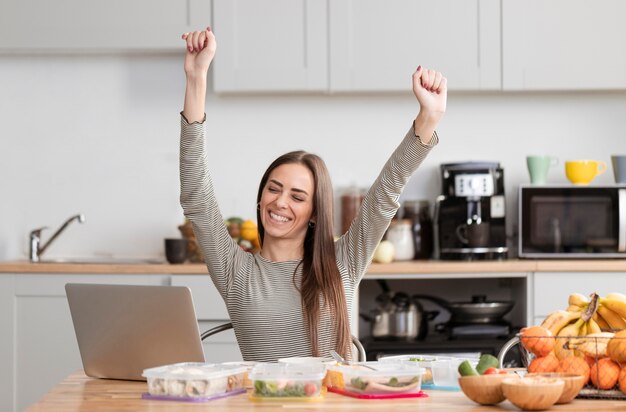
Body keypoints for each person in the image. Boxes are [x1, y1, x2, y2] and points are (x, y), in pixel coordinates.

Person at [179, 27, 447, 362]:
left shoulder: (342, 262)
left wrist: (428, 118)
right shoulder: (236, 271)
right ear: (260, 199)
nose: (280, 202)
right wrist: (196, 78)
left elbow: (385, 193)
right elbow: (196, 197)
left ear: (315, 213)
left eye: (297, 196)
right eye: (273, 189)